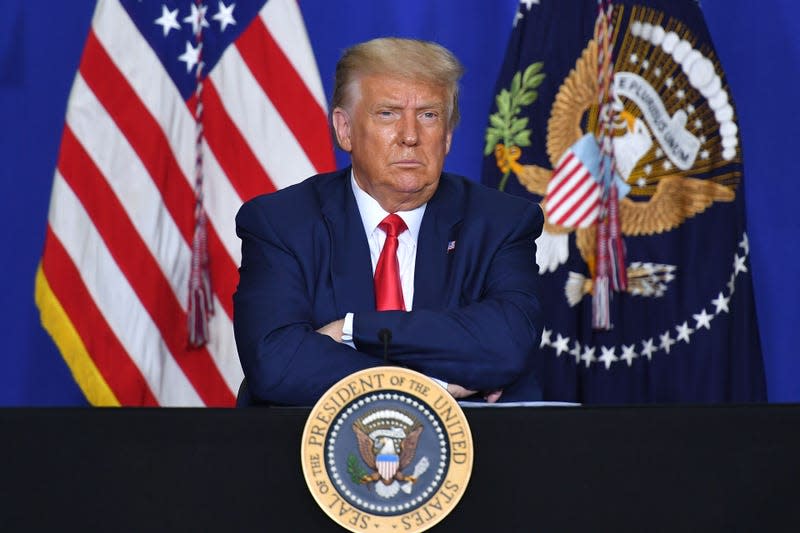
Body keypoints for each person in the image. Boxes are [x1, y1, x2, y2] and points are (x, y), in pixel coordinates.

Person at [233, 37, 543, 406]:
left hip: (470, 453)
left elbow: (506, 345)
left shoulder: (501, 222)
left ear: (447, 135)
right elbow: (277, 364)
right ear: (344, 129)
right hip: (306, 451)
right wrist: (433, 387)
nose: (410, 136)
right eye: (388, 113)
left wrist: (353, 330)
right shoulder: (281, 223)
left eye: (429, 115)